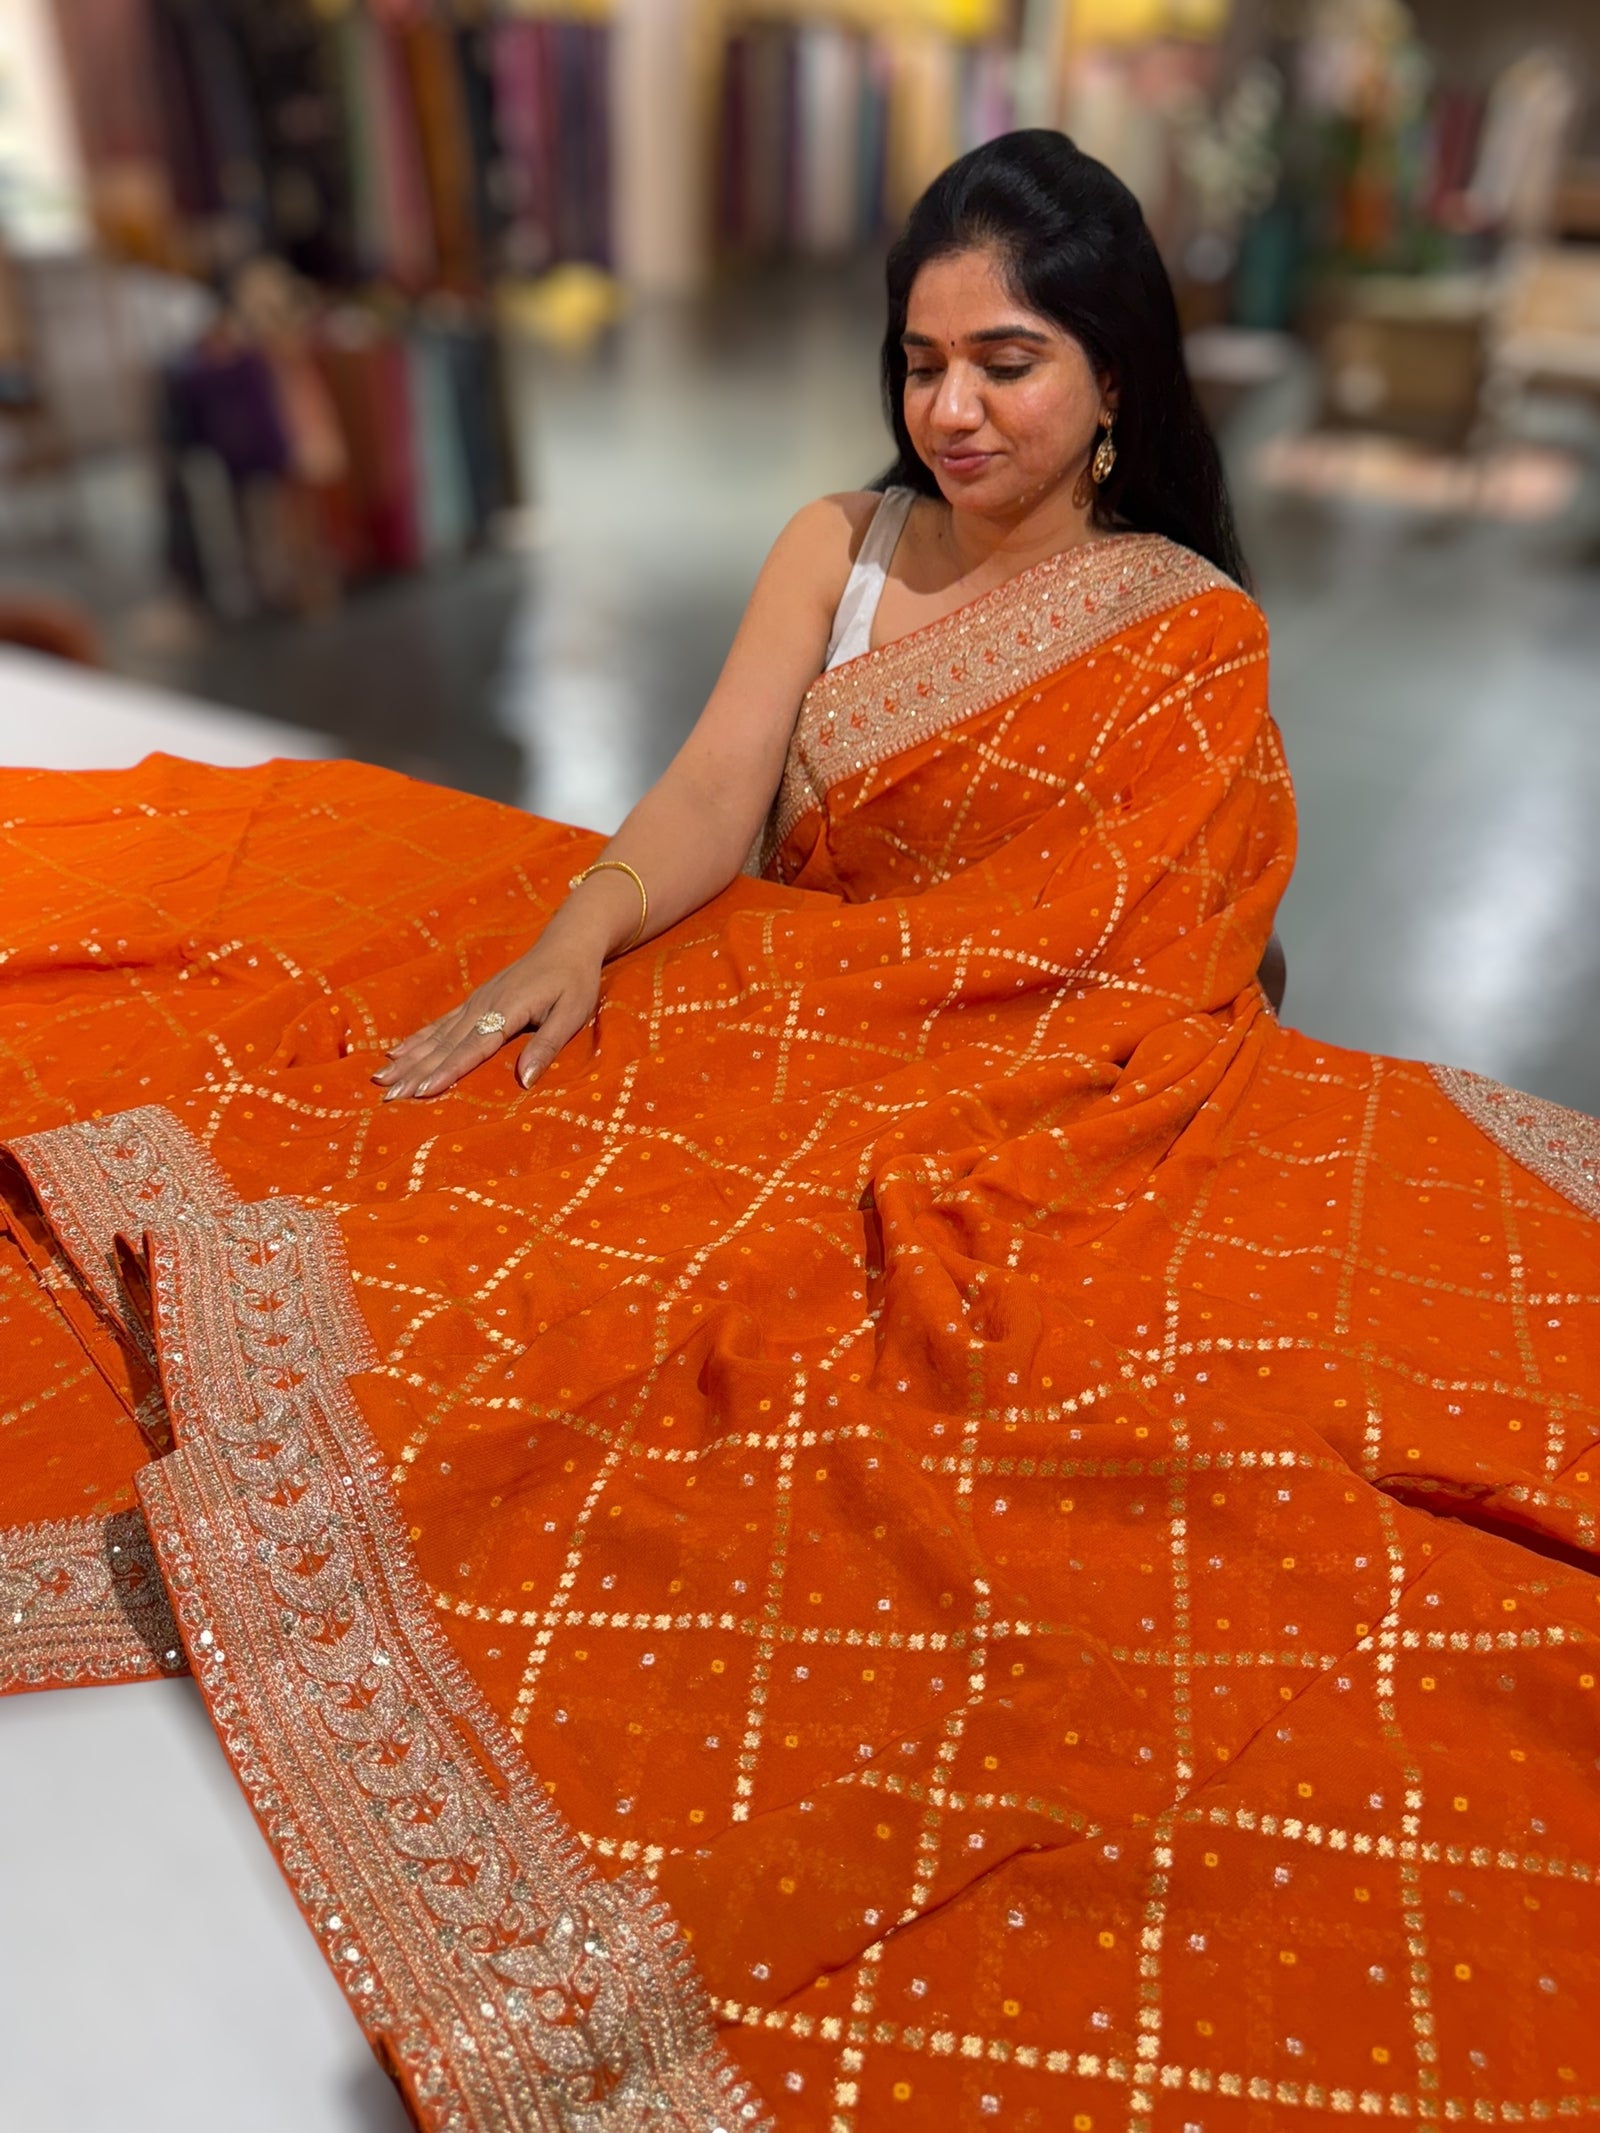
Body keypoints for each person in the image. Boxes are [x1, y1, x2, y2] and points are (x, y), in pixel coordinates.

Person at [1, 132, 1596, 2132]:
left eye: (1005, 358)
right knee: (363, 1088)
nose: (951, 407)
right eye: (921, 357)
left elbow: (1169, 958)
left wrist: (967, 1062)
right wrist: (578, 936)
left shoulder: (1187, 632)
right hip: (767, 1001)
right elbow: (696, 801)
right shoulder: (834, 544)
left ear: (1113, 377)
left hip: (1016, 1077)